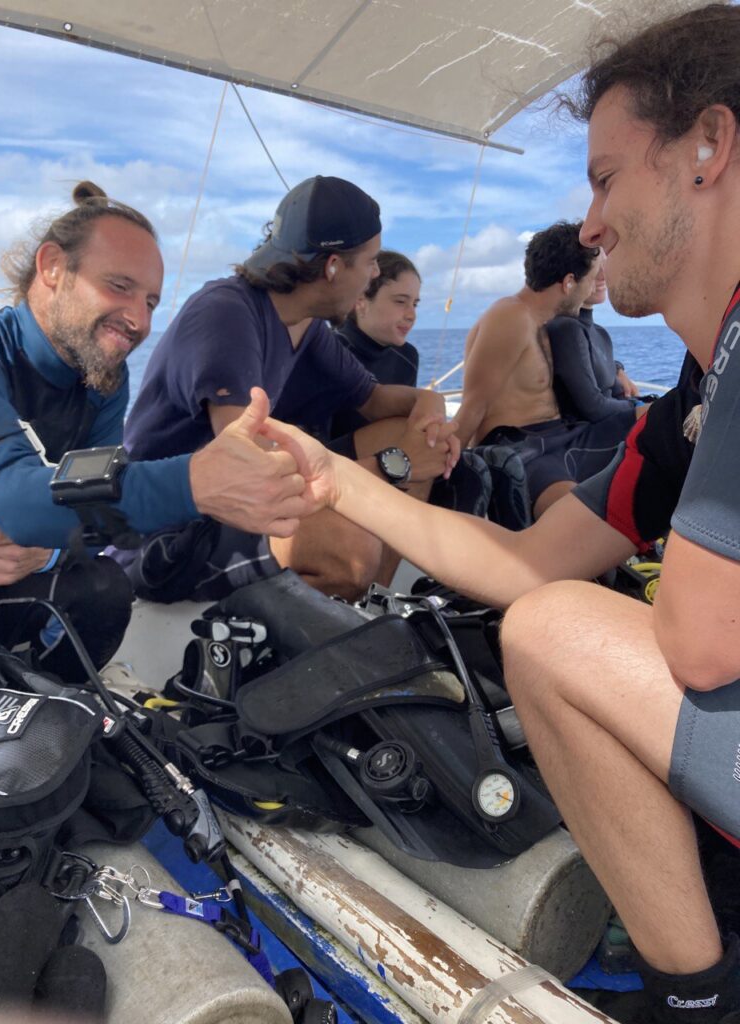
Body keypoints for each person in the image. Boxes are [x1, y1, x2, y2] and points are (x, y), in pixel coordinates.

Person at [259, 5, 740, 1019]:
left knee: (568, 628)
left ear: (709, 148)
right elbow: (529, 562)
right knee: (546, 619)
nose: (592, 224)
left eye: (607, 177)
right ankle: (701, 985)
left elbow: (697, 645)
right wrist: (338, 482)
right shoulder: (694, 401)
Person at [0, 182, 313, 682]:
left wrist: (50, 551)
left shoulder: (103, 380)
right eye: (119, 286)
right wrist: (197, 483)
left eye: (151, 301)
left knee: (105, 589)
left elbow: (96, 518)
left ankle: (52, 713)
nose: (139, 319)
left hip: (9, 577)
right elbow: (17, 501)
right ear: (51, 267)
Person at [122, 177, 456, 602]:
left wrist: (430, 407)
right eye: (370, 262)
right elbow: (249, 469)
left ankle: (373, 608)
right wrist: (399, 464)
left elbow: (374, 401)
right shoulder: (226, 313)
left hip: (241, 506)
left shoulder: (306, 324)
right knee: (351, 551)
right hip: (170, 532)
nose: (374, 273)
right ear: (333, 266)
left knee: (401, 429)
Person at [454, 222, 631, 517]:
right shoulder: (510, 317)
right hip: (522, 447)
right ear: (569, 283)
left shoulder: (548, 323)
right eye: (590, 279)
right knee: (579, 522)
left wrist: (618, 370)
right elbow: (474, 407)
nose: (594, 286)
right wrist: (444, 475)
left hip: (562, 437)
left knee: (660, 426)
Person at [327, 249, 421, 439]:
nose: (411, 315)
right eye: (401, 302)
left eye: (415, 304)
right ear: (361, 300)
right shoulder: (330, 352)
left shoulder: (407, 357)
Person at [547, 254, 640, 427]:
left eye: (603, 265)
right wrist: (639, 407)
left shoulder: (600, 333)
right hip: (594, 436)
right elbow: (592, 409)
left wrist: (616, 368)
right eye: (593, 269)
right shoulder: (564, 329)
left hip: (615, 424)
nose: (602, 276)